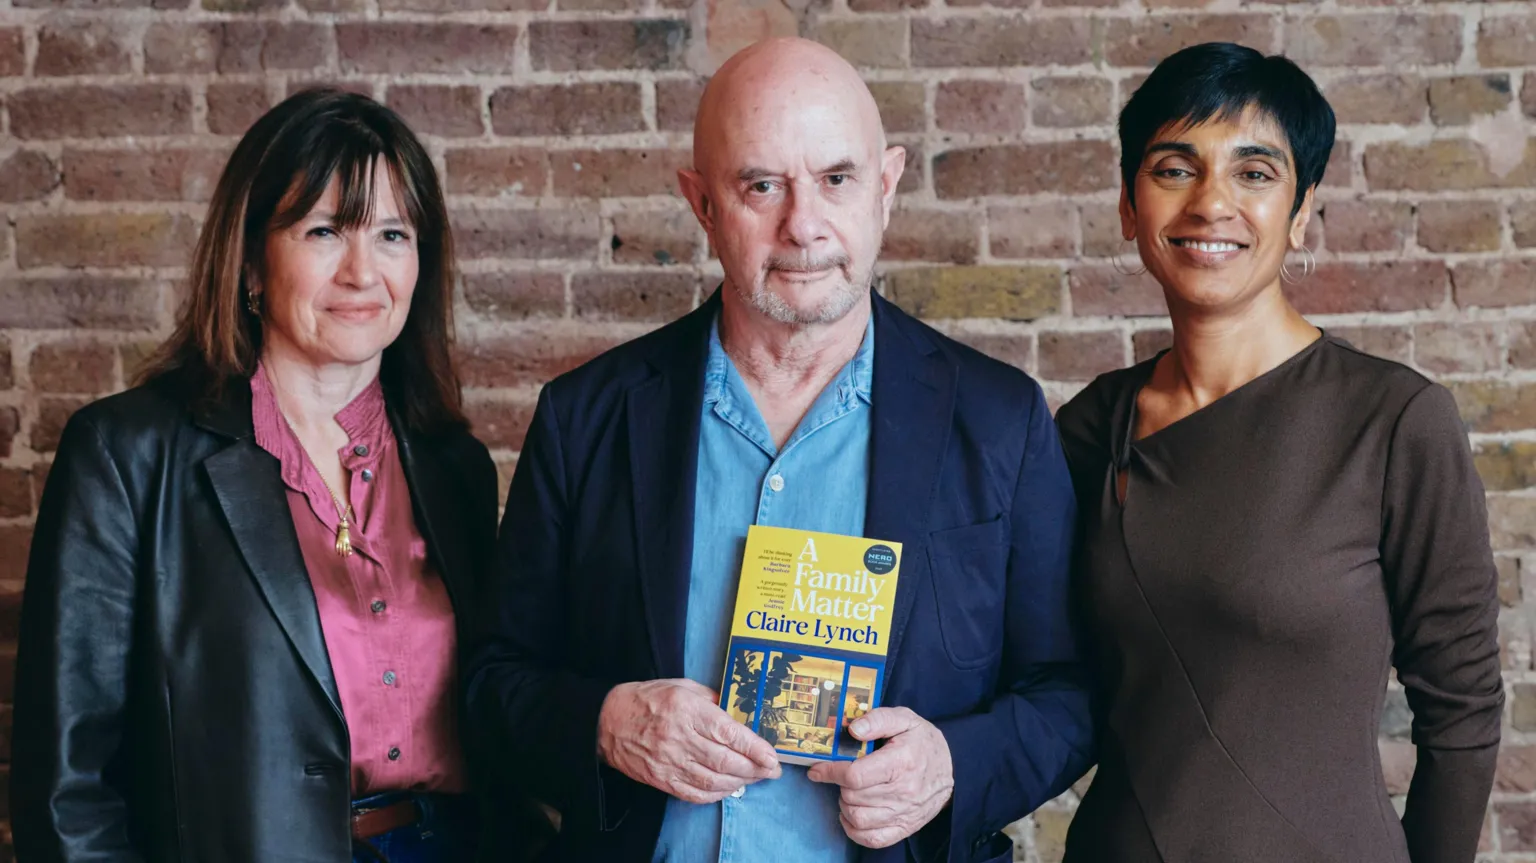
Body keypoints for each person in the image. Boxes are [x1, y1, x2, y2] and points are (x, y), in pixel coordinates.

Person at [465, 37, 1094, 863]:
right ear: (701, 204)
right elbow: (492, 682)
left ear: (886, 186)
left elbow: (1069, 691)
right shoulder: (585, 417)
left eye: (836, 179)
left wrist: (951, 764)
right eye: (761, 185)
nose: (803, 225)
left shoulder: (1001, 419)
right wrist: (608, 724)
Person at [10, 88, 538, 862]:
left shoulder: (453, 466)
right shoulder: (125, 455)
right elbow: (66, 788)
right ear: (252, 261)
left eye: (392, 234)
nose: (363, 271)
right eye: (324, 231)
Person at [1055, 42, 1503, 863]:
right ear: (1128, 206)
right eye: (1174, 169)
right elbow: (1043, 672)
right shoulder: (1090, 428)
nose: (1211, 203)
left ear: (1299, 212)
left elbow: (1463, 712)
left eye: (1254, 173)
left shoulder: (1395, 420)